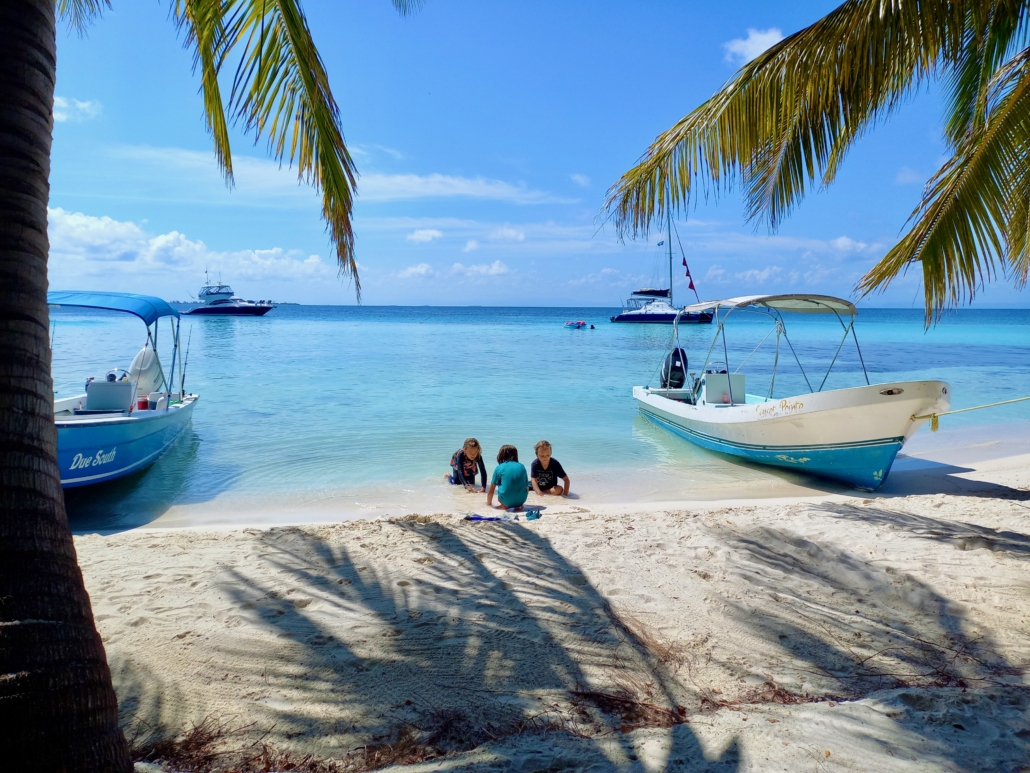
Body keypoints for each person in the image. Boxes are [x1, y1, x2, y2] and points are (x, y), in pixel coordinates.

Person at [486, 444, 528, 510]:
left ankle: (504, 506)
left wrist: (488, 504)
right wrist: (521, 501)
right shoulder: (522, 466)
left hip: (506, 501)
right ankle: (518, 506)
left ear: (501, 455)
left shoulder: (499, 468)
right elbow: (526, 487)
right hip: (521, 500)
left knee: (502, 487)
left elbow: (491, 490)